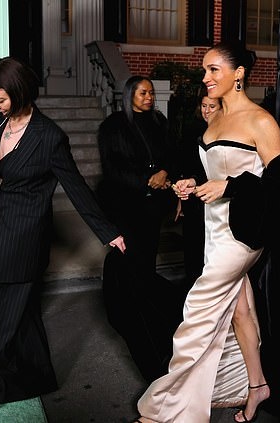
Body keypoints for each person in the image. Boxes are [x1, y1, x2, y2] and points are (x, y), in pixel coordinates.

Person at [0, 56, 126, 414]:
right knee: (23, 314)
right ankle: (37, 379)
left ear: (21, 92)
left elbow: (76, 188)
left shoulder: (49, 137)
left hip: (25, 236)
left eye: (0, 99)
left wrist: (108, 232)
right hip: (2, 228)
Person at [135, 42, 280, 423]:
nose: (205, 77)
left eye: (214, 69)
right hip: (213, 229)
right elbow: (217, 171)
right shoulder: (215, 120)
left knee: (197, 311)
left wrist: (230, 186)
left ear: (239, 74)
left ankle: (164, 408)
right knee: (241, 312)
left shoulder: (260, 121)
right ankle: (255, 386)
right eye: (205, 70)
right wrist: (193, 184)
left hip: (241, 235)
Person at [96, 75, 181, 383]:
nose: (149, 97)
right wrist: (147, 180)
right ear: (130, 94)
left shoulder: (159, 122)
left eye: (151, 93)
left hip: (152, 207)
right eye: (143, 92)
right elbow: (112, 168)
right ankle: (132, 315)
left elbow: (173, 154)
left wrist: (165, 172)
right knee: (129, 260)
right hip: (124, 205)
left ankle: (148, 314)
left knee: (146, 261)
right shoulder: (113, 126)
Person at [174, 88, 221, 287]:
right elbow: (185, 168)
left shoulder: (227, 132)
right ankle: (193, 291)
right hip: (193, 198)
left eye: (212, 106)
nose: (206, 110)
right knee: (193, 249)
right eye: (203, 106)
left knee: (212, 251)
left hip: (218, 198)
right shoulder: (192, 130)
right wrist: (181, 199)